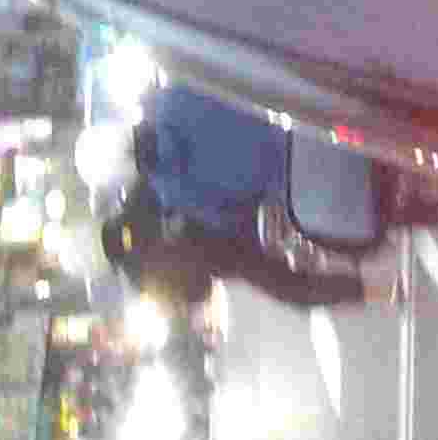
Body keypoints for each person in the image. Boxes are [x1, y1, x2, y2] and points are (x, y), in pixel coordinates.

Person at [109, 84, 376, 317]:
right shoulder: (173, 95)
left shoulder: (171, 191)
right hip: (292, 112)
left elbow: (224, 218)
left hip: (287, 185)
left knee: (293, 285)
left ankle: (375, 286)